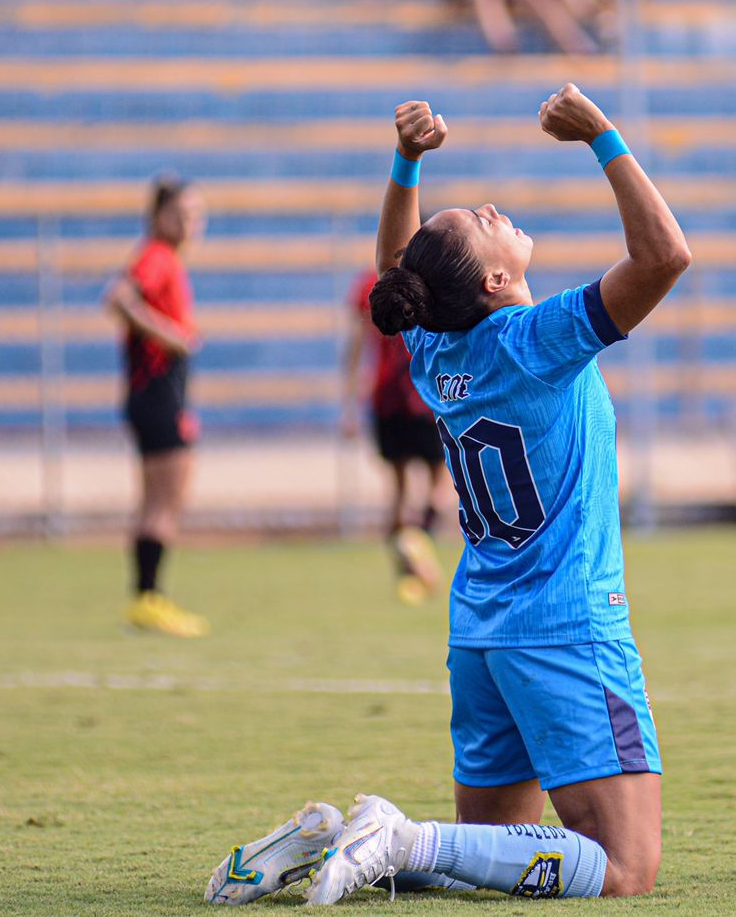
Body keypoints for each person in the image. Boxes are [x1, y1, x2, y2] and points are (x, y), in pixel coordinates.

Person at [205, 83, 689, 905]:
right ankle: (398, 838)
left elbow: (400, 273)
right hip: (570, 624)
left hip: (482, 631)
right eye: (483, 218)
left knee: (489, 854)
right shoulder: (538, 339)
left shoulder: (432, 349)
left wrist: (406, 164)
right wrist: (603, 135)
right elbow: (665, 257)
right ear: (498, 278)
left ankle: (336, 844)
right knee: (625, 871)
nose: (494, 207)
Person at [103, 175, 209, 638]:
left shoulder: (165, 259)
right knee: (166, 502)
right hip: (158, 393)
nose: (189, 223)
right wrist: (172, 336)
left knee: (156, 502)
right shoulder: (157, 256)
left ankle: (148, 598)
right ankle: (150, 598)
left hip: (152, 393)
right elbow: (119, 297)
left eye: (196, 215)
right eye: (180, 214)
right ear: (158, 216)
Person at [341, 265, 450, 605]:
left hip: (394, 396)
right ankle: (419, 547)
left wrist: (350, 403)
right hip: (425, 396)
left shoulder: (372, 283)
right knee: (441, 483)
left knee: (402, 491)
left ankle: (409, 570)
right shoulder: (437, 276)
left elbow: (356, 346)